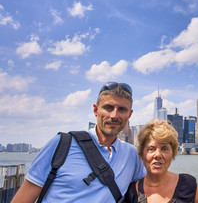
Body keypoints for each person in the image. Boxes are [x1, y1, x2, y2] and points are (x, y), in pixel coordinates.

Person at [11, 82, 145, 203]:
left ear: (130, 114)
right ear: (95, 110)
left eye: (122, 109)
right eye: (108, 107)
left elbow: (155, 184)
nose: (114, 115)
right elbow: (25, 197)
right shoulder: (62, 144)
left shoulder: (132, 154)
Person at [125, 119, 198, 203]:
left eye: (164, 149)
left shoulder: (187, 185)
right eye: (151, 149)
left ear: (173, 153)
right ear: (142, 153)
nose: (158, 155)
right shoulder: (131, 193)